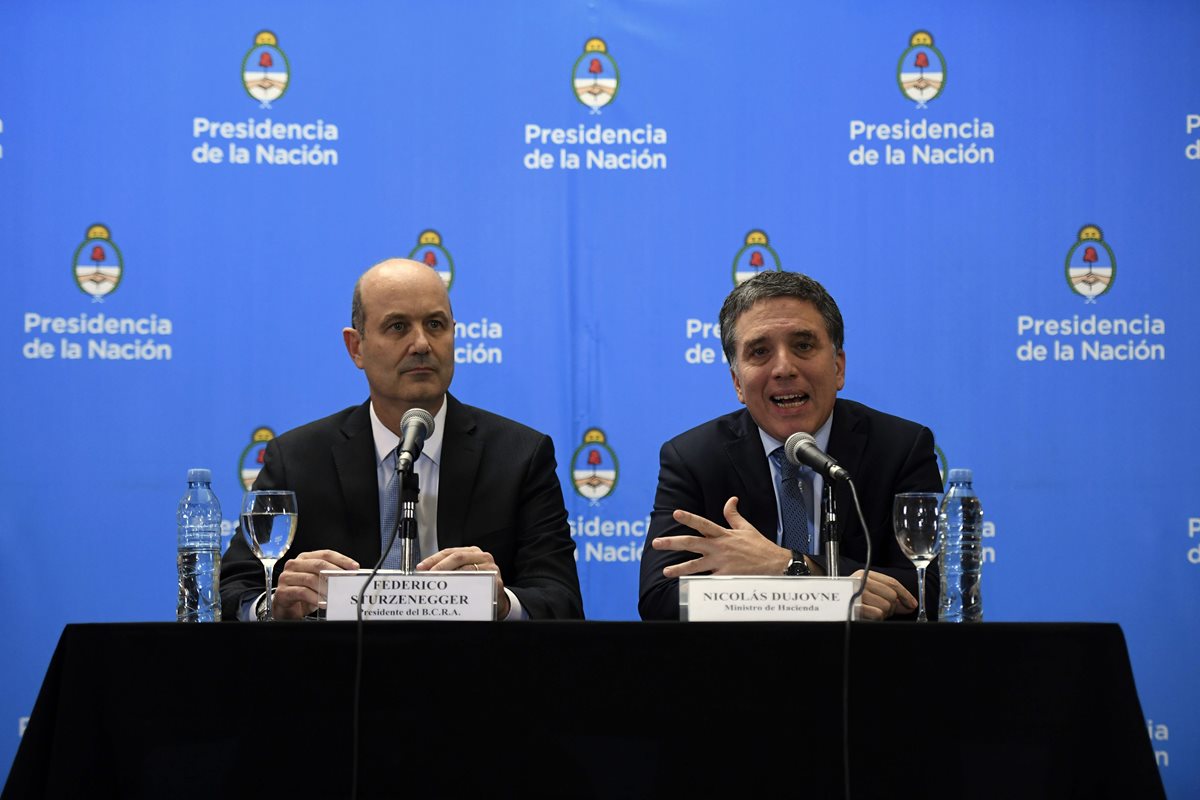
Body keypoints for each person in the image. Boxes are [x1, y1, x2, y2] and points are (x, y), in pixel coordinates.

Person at [220, 258, 584, 620]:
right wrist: (274, 605)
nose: (422, 344)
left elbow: (562, 599)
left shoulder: (520, 456)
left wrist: (502, 602)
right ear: (356, 347)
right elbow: (232, 591)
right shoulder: (297, 459)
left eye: (435, 325)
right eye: (398, 327)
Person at [638, 270, 942, 621]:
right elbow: (659, 600)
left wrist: (785, 565)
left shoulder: (900, 448)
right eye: (760, 351)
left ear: (838, 367)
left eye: (803, 345)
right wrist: (830, 588)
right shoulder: (693, 459)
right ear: (738, 382)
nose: (784, 368)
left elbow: (931, 590)